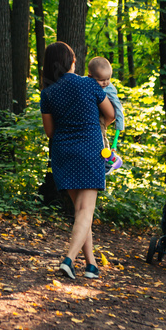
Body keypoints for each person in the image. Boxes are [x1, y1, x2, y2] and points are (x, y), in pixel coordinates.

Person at [40, 42, 116, 280]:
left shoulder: (48, 93)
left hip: (63, 153)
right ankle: (69, 260)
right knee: (86, 211)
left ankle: (91, 265)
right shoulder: (88, 84)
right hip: (90, 151)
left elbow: (50, 131)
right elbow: (111, 115)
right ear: (71, 61)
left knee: (82, 212)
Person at [87, 56, 125, 170]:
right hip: (89, 118)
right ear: (90, 77)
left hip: (101, 118)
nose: (105, 83)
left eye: (108, 78)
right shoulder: (86, 84)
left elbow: (118, 107)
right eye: (102, 80)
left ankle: (107, 164)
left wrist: (119, 125)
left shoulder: (109, 88)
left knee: (101, 140)